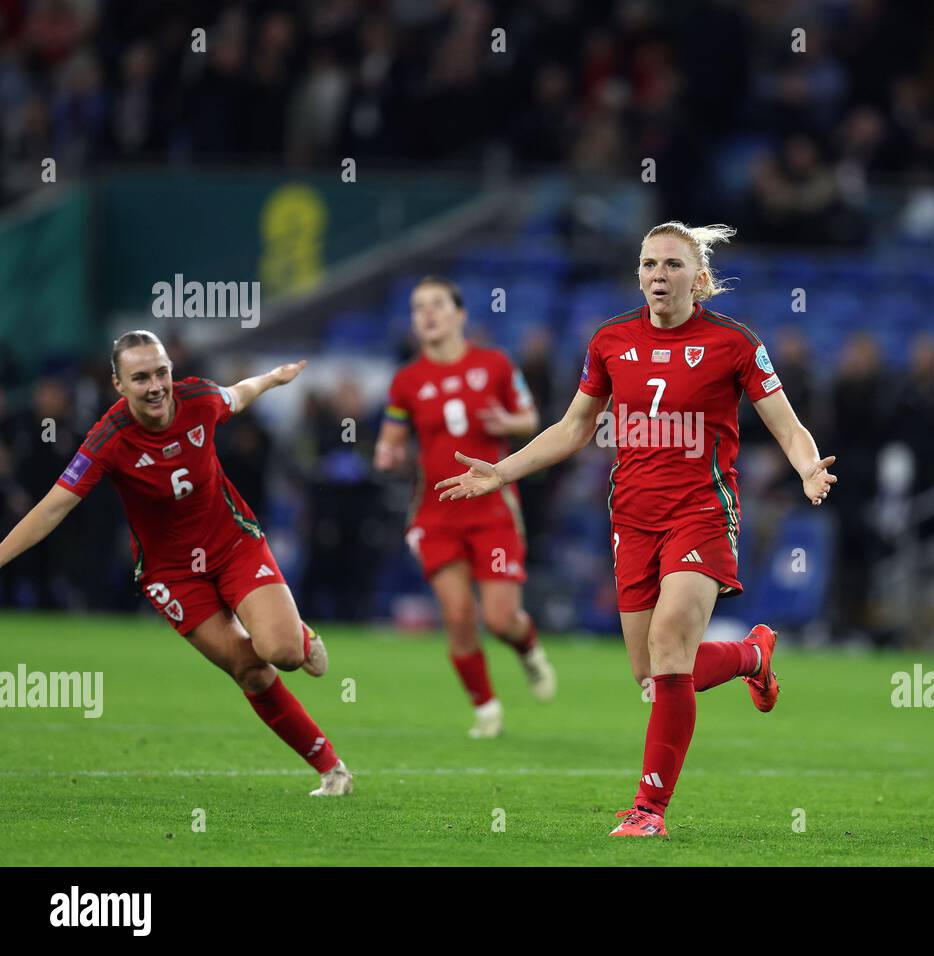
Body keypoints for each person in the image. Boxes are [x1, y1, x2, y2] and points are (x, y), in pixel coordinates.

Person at [436, 222, 837, 837]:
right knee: (653, 674)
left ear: (699, 279)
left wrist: (808, 466)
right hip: (632, 519)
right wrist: (502, 472)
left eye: (672, 265)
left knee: (672, 643)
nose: (657, 275)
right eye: (648, 264)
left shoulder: (734, 343)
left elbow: (785, 424)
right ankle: (752, 655)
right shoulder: (609, 340)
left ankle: (649, 810)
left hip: (702, 511)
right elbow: (573, 428)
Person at [0, 331, 352, 796]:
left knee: (283, 653)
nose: (156, 385)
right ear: (119, 384)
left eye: (161, 372)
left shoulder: (199, 398)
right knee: (250, 670)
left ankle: (299, 636)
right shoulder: (108, 438)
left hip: (232, 544)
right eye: (140, 377)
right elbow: (51, 509)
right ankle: (332, 770)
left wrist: (271, 378)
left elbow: (238, 395)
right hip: (171, 573)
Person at [375, 277, 556, 739]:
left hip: (492, 510)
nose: (428, 314)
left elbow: (531, 418)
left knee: (499, 619)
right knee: (457, 616)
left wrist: (507, 422)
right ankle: (486, 709)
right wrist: (386, 452)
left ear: (459, 315)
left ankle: (528, 646)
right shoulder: (407, 380)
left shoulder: (494, 364)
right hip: (436, 515)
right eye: (418, 308)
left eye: (437, 305)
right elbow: (392, 435)